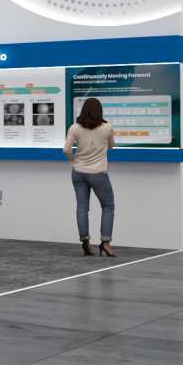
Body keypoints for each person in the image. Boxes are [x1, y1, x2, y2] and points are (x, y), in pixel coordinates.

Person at [65, 97, 117, 257]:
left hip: (78, 172)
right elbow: (111, 146)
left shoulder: (75, 127)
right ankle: (105, 243)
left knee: (82, 207)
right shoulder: (107, 128)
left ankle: (85, 242)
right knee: (108, 206)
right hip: (98, 173)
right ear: (99, 111)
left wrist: (75, 160)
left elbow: (66, 149)